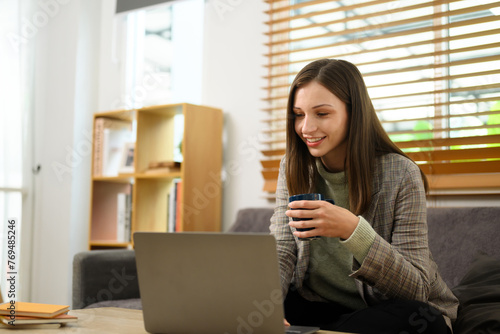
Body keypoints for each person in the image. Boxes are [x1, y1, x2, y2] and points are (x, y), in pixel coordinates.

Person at [269, 59, 458, 333]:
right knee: (244, 302)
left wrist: (353, 230)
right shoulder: (293, 166)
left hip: (381, 310)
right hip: (318, 306)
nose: (306, 128)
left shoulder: (402, 174)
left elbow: (416, 288)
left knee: (421, 319)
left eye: (322, 114)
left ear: (354, 113)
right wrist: (268, 303)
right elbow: (283, 248)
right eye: (299, 114)